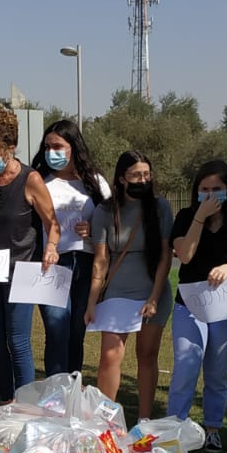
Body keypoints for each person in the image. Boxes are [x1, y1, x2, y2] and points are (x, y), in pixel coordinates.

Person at [0, 105, 60, 402]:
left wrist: (51, 248)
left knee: (18, 339)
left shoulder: (31, 179)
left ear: (9, 149)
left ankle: (26, 401)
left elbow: (52, 223)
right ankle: (8, 398)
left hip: (23, 269)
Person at [166, 160, 227, 451]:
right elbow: (185, 256)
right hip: (190, 303)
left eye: (217, 188)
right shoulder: (186, 216)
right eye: (204, 189)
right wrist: (200, 217)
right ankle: (175, 428)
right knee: (186, 364)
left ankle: (213, 428)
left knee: (216, 371)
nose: (211, 194)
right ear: (196, 191)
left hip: (226, 306)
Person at [84, 151, 174, 419]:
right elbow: (100, 260)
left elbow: (165, 256)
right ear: (122, 178)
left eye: (147, 175)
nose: (143, 180)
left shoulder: (160, 208)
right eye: (136, 175)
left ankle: (143, 420)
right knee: (110, 356)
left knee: (147, 356)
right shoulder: (105, 211)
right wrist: (92, 302)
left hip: (152, 290)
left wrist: (155, 297)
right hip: (117, 292)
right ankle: (104, 421)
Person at [32, 120, 110, 379]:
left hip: (87, 264)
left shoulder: (96, 182)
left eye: (58, 146)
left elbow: (112, 222)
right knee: (56, 329)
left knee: (77, 331)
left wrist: (94, 228)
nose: (51, 151)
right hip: (52, 263)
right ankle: (55, 389)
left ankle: (72, 386)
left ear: (74, 148)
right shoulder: (40, 182)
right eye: (47, 146)